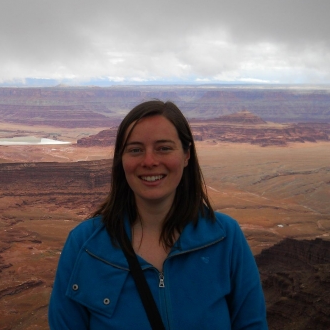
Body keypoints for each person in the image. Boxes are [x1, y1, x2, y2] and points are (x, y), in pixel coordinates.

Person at [48, 100, 268, 329]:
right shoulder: (85, 245)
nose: (149, 161)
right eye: (135, 150)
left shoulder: (225, 239)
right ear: (121, 160)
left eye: (164, 148)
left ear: (186, 155)